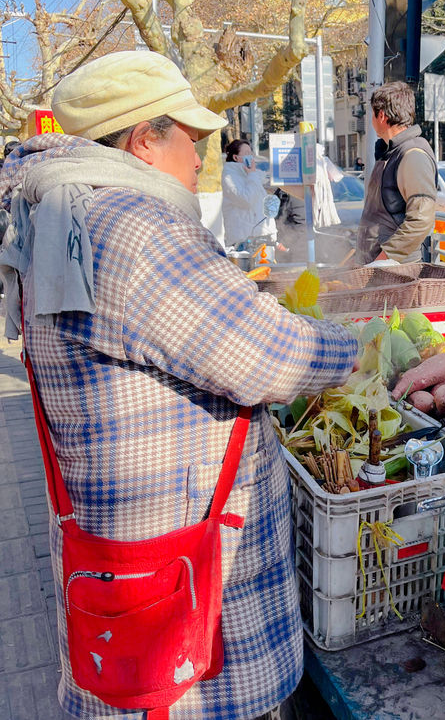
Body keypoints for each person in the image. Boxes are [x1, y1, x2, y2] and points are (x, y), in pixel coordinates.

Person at [0, 50, 358, 720]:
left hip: (123, 578)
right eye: (190, 141)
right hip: (189, 629)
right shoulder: (128, 226)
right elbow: (271, 355)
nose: (200, 160)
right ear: (144, 139)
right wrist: (355, 352)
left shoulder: (52, 217)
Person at [356, 81, 437, 265]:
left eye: (372, 115)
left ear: (382, 116)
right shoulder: (390, 151)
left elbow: (421, 220)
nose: (371, 121)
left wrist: (384, 259)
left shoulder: (412, 154)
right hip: (376, 265)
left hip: (395, 271)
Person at [221, 138, 276, 248]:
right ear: (236, 157)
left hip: (261, 236)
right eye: (246, 153)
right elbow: (246, 200)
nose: (250, 156)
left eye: (251, 152)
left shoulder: (253, 175)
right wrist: (252, 174)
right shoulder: (229, 177)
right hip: (244, 240)